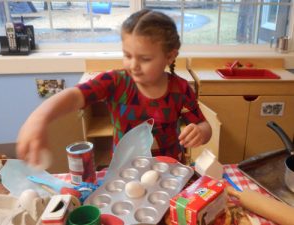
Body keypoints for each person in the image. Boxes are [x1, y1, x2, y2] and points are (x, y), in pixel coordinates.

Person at [16, 9, 212, 167]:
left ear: (169, 56)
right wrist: (39, 118)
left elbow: (205, 126)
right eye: (127, 55)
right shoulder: (116, 82)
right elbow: (75, 96)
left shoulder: (180, 88)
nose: (133, 65)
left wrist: (201, 132)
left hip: (169, 170)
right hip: (125, 170)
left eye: (145, 59)